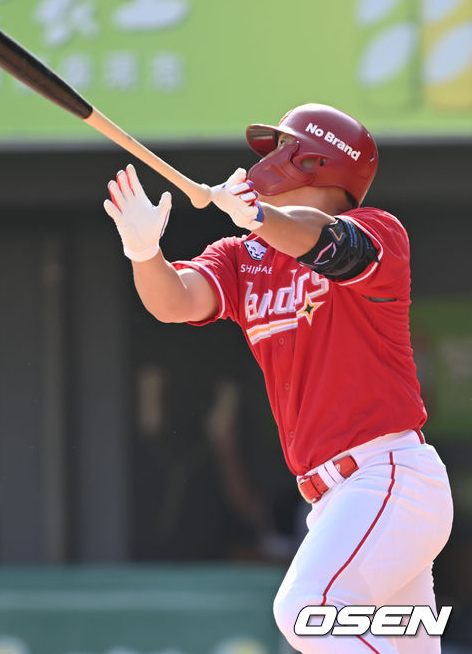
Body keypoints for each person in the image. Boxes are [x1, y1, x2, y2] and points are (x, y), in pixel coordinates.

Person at [103, 103, 453, 654]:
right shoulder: (245, 258)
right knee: (398, 645)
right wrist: (143, 251)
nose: (263, 161)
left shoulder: (378, 232)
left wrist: (262, 218)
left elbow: (329, 243)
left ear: (314, 161)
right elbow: (176, 301)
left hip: (389, 478)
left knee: (305, 610)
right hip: (335, 500)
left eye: (279, 148)